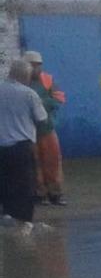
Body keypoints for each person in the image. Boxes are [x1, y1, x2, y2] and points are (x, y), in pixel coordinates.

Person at [0, 59, 48, 229]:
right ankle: (24, 222)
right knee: (25, 185)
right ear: (25, 76)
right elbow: (42, 119)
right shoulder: (29, 94)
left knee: (4, 182)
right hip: (21, 147)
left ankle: (6, 216)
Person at [23, 51, 66, 205]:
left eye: (38, 65)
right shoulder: (21, 82)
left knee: (53, 160)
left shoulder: (48, 79)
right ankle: (40, 193)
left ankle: (55, 193)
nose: (36, 68)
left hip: (47, 128)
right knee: (35, 162)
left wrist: (40, 103)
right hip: (29, 130)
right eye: (32, 65)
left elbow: (59, 98)